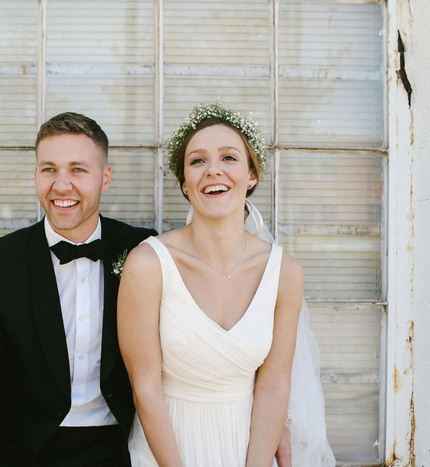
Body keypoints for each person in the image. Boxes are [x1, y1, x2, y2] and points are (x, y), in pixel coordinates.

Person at [118, 102, 335, 467]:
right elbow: (146, 389)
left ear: (251, 175)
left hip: (248, 445)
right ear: (184, 183)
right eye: (198, 161)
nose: (212, 171)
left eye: (229, 158)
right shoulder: (148, 264)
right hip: (167, 446)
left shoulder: (285, 273)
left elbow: (274, 385)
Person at [0, 112, 156, 466]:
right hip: (29, 451)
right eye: (49, 169)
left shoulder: (145, 251)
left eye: (78, 169)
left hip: (126, 448)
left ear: (105, 178)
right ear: (35, 175)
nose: (61, 186)